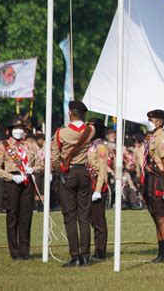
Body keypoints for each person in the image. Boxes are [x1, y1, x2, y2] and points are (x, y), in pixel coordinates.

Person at [51, 100, 96, 267]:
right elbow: (92, 127)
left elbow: (55, 157)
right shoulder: (90, 130)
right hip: (84, 172)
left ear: (70, 113)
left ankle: (75, 256)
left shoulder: (61, 133)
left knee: (70, 217)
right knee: (84, 216)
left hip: (68, 173)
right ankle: (85, 256)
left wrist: (58, 170)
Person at [0, 117, 41, 260]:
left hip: (27, 181)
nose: (19, 131)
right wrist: (11, 177)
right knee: (12, 217)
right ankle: (15, 252)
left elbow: (40, 164)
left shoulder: (30, 146)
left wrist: (33, 169)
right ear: (10, 130)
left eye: (21, 128)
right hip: (12, 182)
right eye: (16, 128)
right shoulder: (3, 146)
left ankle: (25, 251)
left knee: (26, 217)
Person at [142, 109, 164, 263]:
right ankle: (161, 253)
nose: (149, 122)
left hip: (158, 180)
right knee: (156, 217)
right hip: (150, 179)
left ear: (159, 121)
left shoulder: (162, 139)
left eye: (151, 119)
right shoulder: (153, 137)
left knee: (162, 217)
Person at [86, 118, 108, 261]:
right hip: (86, 184)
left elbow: (102, 170)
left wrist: (98, 190)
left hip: (96, 185)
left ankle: (100, 251)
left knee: (98, 220)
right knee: (89, 219)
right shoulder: (88, 145)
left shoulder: (100, 148)